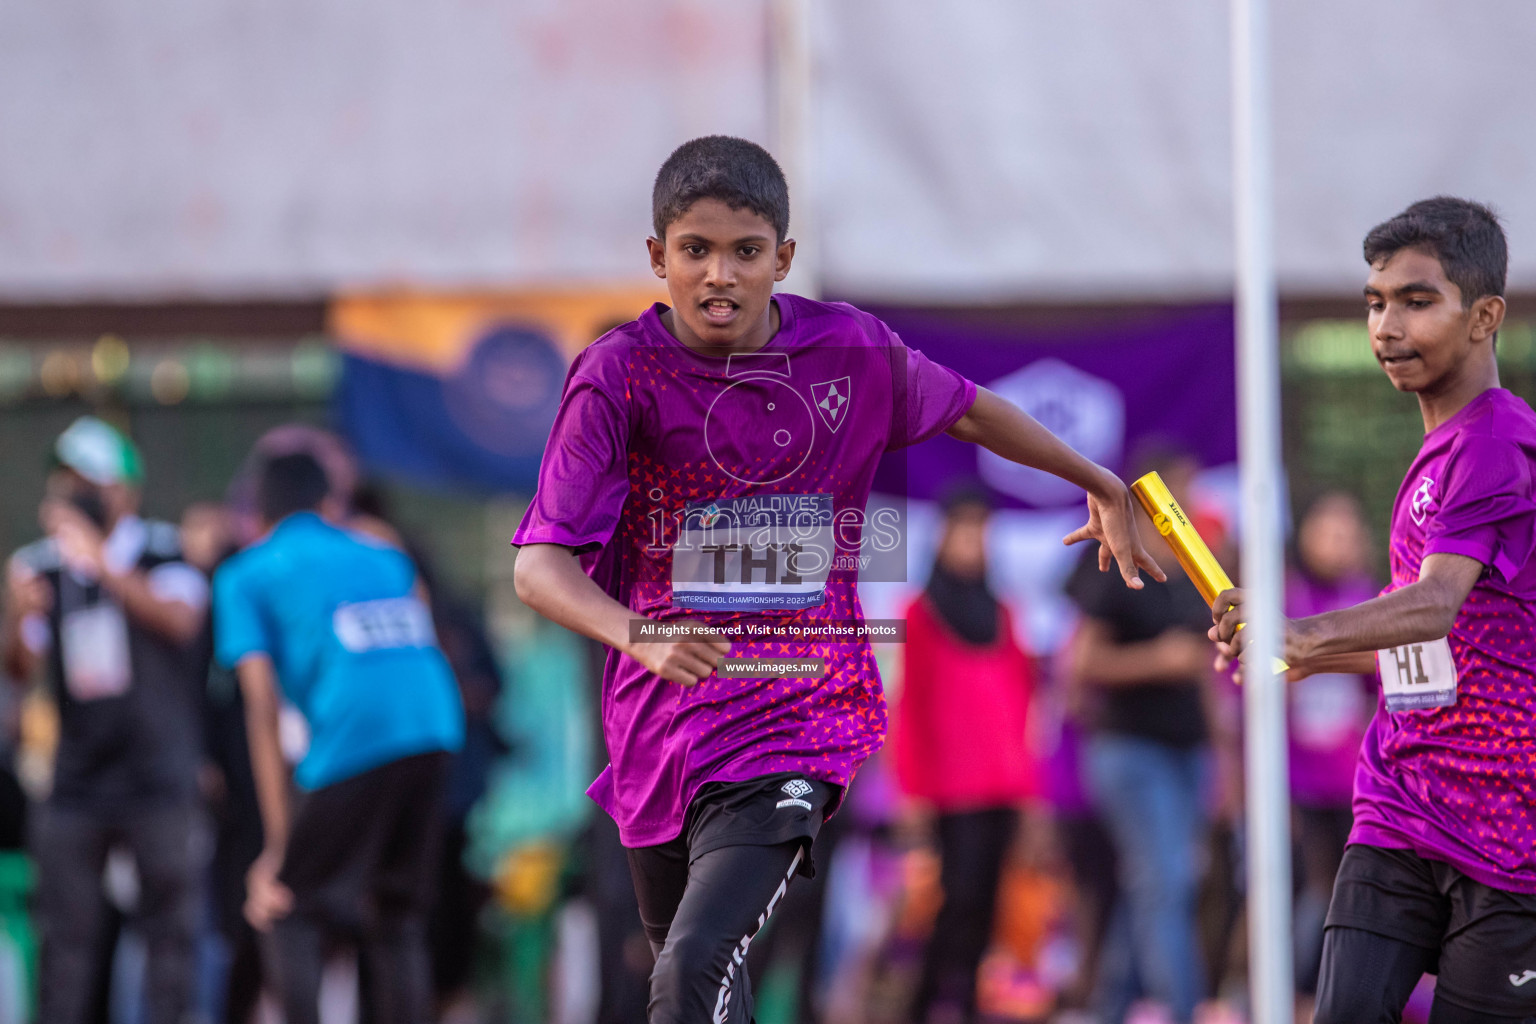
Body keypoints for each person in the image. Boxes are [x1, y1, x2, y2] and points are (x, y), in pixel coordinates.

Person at [511, 135, 1161, 1024]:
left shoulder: (851, 352)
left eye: (745, 252)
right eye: (694, 251)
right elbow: (537, 569)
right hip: (659, 734)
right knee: (698, 981)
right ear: (657, 257)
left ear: (782, 256)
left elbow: (975, 411)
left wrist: (1100, 481)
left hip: (795, 723)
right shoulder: (618, 378)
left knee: (691, 968)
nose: (719, 276)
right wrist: (640, 633)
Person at [1214, 197, 1536, 1024]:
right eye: (1375, 301)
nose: (1387, 325)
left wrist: (1302, 630)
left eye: (1417, 300)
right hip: (1397, 807)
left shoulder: (1497, 443)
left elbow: (1430, 609)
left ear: (1485, 317)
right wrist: (1297, 653)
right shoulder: (1442, 447)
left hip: (1506, 839)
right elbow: (1438, 643)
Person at [212, 452, 464, 1024]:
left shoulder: (244, 574)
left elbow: (260, 707)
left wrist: (278, 848)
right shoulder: (385, 555)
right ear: (330, 504)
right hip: (437, 725)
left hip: (356, 732)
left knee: (284, 903)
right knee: (396, 913)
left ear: (258, 514)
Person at [1, 417, 209, 1024]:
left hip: (158, 776)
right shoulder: (40, 565)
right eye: (67, 482)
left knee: (171, 933)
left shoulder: (165, 549)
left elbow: (180, 620)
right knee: (67, 939)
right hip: (79, 781)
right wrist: (17, 614)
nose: (79, 494)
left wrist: (101, 564)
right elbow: (20, 665)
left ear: (126, 489)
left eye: (90, 480)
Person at [1063, 448, 1217, 1024]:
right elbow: (1083, 665)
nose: (1192, 507)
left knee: (1154, 884)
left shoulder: (1193, 572)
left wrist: (1223, 752)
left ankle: (1110, 1008)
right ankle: (1184, 1009)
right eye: (1181, 494)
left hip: (1188, 750)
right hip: (1131, 749)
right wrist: (1158, 659)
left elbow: (1203, 670)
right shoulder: (1119, 561)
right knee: (1167, 880)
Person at [894, 487, 1038, 1024]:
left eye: (982, 531)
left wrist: (1029, 789)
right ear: (944, 536)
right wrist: (911, 791)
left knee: (988, 906)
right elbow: (909, 706)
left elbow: (1022, 703)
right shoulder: (919, 612)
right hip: (949, 788)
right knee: (953, 904)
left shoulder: (1003, 613)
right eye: (965, 530)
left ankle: (971, 1005)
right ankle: (923, 1005)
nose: (974, 543)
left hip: (1002, 783)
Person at [1282, 492, 1378, 1003]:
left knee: (1342, 894)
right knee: (1306, 893)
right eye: (1331, 531)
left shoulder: (1368, 600)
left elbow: (1374, 690)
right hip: (1295, 785)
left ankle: (1325, 996)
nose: (1342, 543)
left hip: (1352, 784)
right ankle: (1287, 994)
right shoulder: (1286, 599)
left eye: (1350, 532)